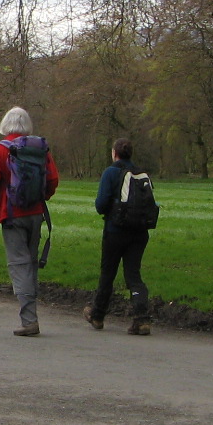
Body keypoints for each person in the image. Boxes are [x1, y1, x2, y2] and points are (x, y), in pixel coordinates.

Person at [0, 107, 60, 335]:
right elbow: (53, 179)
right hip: (36, 213)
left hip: (11, 214)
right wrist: (40, 197)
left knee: (19, 264)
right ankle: (31, 310)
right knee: (31, 262)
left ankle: (29, 320)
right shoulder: (39, 149)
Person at [84, 138, 152, 335]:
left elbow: (100, 205)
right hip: (139, 233)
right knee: (133, 274)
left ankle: (97, 315)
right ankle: (142, 318)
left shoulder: (111, 172)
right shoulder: (141, 173)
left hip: (115, 231)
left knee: (108, 273)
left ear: (115, 153)